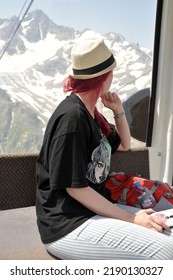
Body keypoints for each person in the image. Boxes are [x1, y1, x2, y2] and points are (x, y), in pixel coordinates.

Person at [36, 34, 173, 260]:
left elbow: (125, 144)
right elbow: (75, 188)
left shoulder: (90, 114)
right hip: (68, 224)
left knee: (165, 230)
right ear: (104, 77)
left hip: (90, 213)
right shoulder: (72, 117)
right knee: (165, 252)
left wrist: (117, 110)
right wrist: (131, 218)